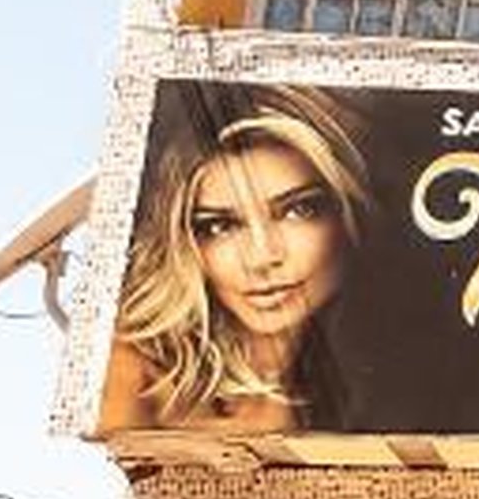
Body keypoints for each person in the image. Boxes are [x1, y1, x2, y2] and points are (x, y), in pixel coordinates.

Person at [98, 90, 365, 436]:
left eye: (299, 210)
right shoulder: (132, 372)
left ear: (350, 211)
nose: (261, 257)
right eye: (219, 226)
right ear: (186, 241)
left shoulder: (359, 382)